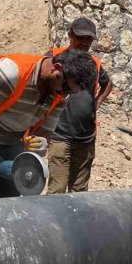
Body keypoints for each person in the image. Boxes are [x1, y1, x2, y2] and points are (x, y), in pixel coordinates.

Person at [0, 49, 96, 202]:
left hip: (9, 143)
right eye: (66, 88)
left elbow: (44, 132)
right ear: (56, 69)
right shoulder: (12, 73)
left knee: (10, 209)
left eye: (71, 92)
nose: (64, 94)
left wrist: (40, 143)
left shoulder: (60, 96)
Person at [46, 18, 113, 193]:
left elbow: (108, 84)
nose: (84, 43)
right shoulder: (55, 57)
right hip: (60, 136)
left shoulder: (95, 63)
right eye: (80, 38)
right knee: (56, 191)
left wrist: (97, 102)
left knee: (80, 192)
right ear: (70, 35)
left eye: (88, 39)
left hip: (86, 138)